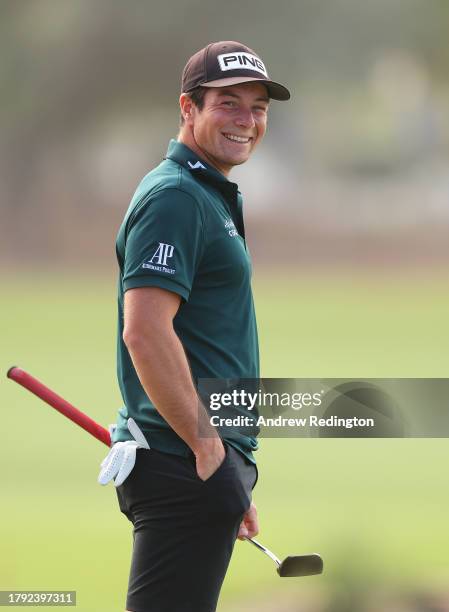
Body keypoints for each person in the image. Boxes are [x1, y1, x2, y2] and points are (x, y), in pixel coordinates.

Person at [98, 40, 290, 612]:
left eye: (257, 108)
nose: (246, 121)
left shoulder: (205, 192)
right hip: (184, 458)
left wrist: (227, 465)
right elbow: (146, 330)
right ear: (188, 108)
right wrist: (209, 451)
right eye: (227, 103)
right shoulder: (178, 196)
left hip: (196, 460)